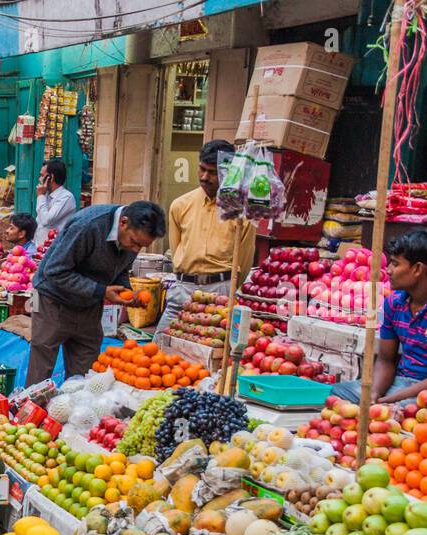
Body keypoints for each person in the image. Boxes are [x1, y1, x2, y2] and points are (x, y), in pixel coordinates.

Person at [330, 228, 427, 405]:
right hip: (399, 382)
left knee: (400, 412)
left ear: (417, 269)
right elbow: (386, 360)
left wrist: (390, 400)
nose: (388, 270)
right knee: (336, 392)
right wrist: (374, 394)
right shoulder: (394, 302)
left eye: (395, 264)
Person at [26, 200, 167, 385]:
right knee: (41, 366)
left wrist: (126, 291)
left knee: (86, 373)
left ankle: (75, 412)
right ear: (123, 222)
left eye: (141, 246)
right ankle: (31, 409)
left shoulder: (131, 239)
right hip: (53, 300)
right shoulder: (88, 225)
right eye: (134, 242)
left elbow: (121, 269)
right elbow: (55, 271)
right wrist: (101, 290)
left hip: (89, 304)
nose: (135, 250)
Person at [157, 139, 256, 333]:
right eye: (201, 169)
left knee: (210, 353)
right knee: (161, 348)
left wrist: (228, 287)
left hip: (221, 292)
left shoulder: (242, 212)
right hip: (183, 288)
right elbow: (176, 251)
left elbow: (244, 262)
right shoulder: (180, 204)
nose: (204, 177)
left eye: (212, 173)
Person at [35, 158, 77, 235]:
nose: (39, 179)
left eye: (41, 176)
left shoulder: (66, 197)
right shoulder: (46, 195)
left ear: (51, 177)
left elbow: (46, 221)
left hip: (54, 245)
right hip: (40, 245)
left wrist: (40, 196)